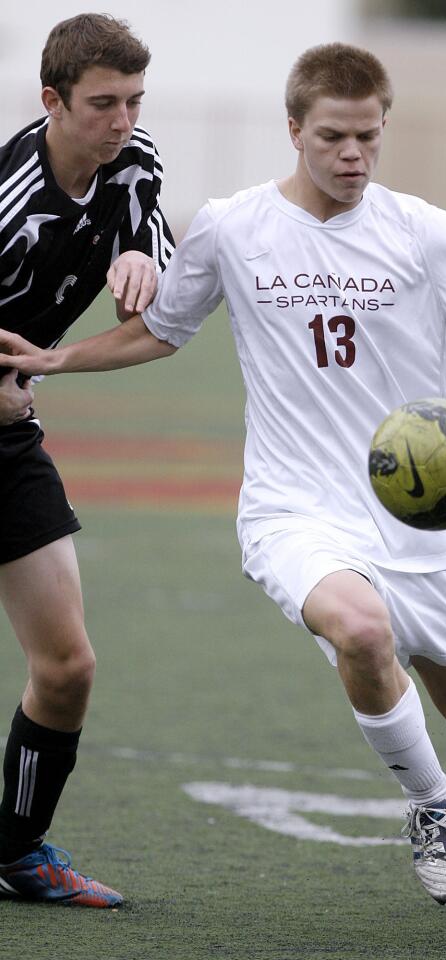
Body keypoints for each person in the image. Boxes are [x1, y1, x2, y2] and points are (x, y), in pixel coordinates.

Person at [0, 43, 446, 920]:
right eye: (333, 137)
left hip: (412, 519)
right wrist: (60, 358)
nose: (353, 154)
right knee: (360, 630)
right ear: (295, 131)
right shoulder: (234, 227)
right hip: (294, 511)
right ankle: (432, 807)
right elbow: (161, 328)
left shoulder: (420, 230)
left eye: (368, 136)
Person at [0, 14, 173, 907]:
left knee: (66, 666)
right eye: (103, 104)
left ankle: (17, 852)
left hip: (6, 440)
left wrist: (142, 253)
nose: (122, 120)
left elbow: (151, 259)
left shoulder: (134, 160)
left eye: (134, 100)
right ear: (51, 101)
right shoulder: (6, 193)